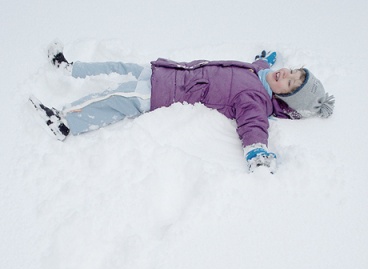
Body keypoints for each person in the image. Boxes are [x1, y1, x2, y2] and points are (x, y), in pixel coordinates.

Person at [29, 41, 335, 173]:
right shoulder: (260, 73)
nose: (287, 75)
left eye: (291, 84)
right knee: (119, 67)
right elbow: (260, 67)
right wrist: (267, 61)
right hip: (168, 73)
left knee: (115, 99)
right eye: (294, 72)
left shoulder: (255, 100)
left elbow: (253, 126)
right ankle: (72, 69)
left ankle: (66, 122)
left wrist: (257, 153)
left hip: (164, 93)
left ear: (284, 98)